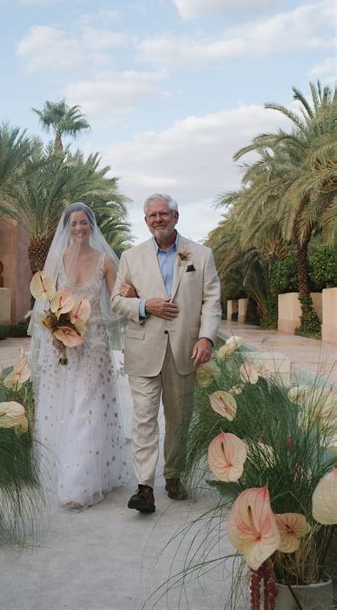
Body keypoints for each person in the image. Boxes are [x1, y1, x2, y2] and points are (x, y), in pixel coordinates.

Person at [111, 193, 221, 513]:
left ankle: (173, 475)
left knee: (178, 419)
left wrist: (206, 339)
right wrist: (146, 305)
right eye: (151, 216)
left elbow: (211, 302)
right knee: (143, 418)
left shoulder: (200, 255)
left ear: (175, 217)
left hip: (185, 350)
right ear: (145, 221)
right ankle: (144, 487)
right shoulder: (131, 257)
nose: (157, 219)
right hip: (143, 348)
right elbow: (117, 301)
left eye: (163, 214)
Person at [29, 203, 129, 509]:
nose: (79, 228)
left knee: (88, 407)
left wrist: (133, 297)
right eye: (73, 223)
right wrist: (54, 333)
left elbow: (117, 302)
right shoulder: (57, 260)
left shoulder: (105, 262)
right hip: (62, 345)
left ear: (92, 226)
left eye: (84, 222)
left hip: (95, 343)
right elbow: (46, 303)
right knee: (62, 405)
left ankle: (78, 486)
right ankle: (62, 470)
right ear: (66, 228)